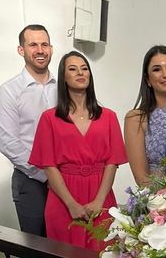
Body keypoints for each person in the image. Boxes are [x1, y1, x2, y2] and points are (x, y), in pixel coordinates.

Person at [29, 51, 127, 251]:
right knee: (65, 252)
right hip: (63, 198)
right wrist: (71, 204)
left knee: (104, 251)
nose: (80, 73)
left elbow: (112, 162)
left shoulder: (109, 116)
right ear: (63, 77)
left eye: (84, 69)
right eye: (72, 69)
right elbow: (49, 166)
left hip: (101, 194)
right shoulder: (49, 118)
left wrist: (99, 200)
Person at [0, 24, 57, 236]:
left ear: (51, 48)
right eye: (33, 45)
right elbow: (9, 144)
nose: (40, 50)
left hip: (67, 178)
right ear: (21, 50)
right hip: (32, 182)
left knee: (69, 245)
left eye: (44, 44)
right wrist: (47, 176)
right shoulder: (9, 91)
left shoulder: (64, 89)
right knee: (38, 247)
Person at [124, 45, 166, 186]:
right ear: (148, 79)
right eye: (157, 69)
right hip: (156, 201)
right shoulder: (136, 119)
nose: (165, 74)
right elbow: (141, 178)